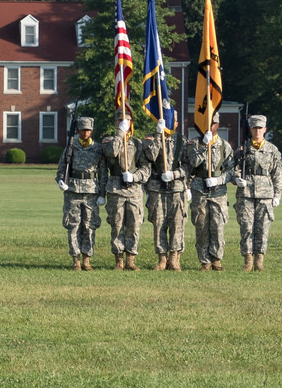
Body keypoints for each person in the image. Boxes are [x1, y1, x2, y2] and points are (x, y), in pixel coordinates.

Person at [98, 117, 152, 270]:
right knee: (117, 225)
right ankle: (119, 260)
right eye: (121, 120)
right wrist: (120, 132)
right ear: (116, 122)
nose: (125, 123)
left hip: (134, 190)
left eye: (127, 120)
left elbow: (146, 169)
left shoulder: (138, 144)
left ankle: (131, 260)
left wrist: (134, 176)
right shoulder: (109, 141)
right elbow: (112, 152)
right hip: (116, 189)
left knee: (134, 225)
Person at [233, 113, 282, 271]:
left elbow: (277, 174)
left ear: (265, 129)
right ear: (250, 129)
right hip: (246, 194)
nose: (257, 131)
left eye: (260, 128)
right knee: (246, 227)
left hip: (265, 195)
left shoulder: (272, 150)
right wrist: (236, 179)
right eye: (254, 128)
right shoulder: (242, 149)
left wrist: (277, 195)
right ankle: (248, 260)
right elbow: (233, 170)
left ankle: (259, 261)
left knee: (262, 229)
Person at [55, 115, 104, 270]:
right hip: (73, 191)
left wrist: (102, 193)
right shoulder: (71, 147)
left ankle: (87, 259)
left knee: (89, 225)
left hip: (91, 191)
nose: (85, 133)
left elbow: (102, 172)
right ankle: (75, 259)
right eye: (82, 130)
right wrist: (61, 181)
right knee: (73, 225)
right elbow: (61, 168)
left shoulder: (98, 148)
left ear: (92, 130)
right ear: (77, 130)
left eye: (88, 130)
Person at [189, 119, 236, 269]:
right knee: (201, 225)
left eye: (213, 123)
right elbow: (192, 163)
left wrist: (218, 180)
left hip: (218, 192)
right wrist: (204, 145)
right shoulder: (194, 144)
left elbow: (230, 170)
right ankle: (205, 261)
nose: (209, 126)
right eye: (207, 122)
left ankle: (216, 259)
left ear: (218, 125)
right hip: (200, 189)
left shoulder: (224, 146)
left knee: (217, 226)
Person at [145, 123, 189, 271]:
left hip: (177, 188)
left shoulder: (182, 141)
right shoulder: (151, 139)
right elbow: (149, 156)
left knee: (177, 225)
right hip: (157, 188)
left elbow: (189, 166)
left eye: (172, 121)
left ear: (176, 123)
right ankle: (162, 259)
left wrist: (176, 174)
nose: (169, 124)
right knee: (159, 224)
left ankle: (174, 258)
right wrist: (158, 135)